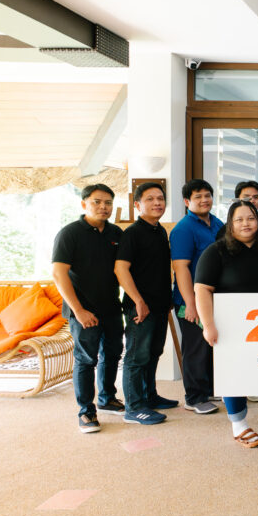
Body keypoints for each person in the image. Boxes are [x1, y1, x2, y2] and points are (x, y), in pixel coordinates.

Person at [194, 200, 258, 448]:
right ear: (230, 223)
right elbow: (202, 289)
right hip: (231, 328)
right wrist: (208, 325)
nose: (245, 224)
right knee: (235, 374)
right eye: (239, 219)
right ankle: (239, 425)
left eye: (250, 218)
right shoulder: (216, 251)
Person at [52, 184, 125, 433]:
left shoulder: (115, 233)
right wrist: (79, 311)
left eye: (108, 203)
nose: (103, 207)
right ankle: (86, 411)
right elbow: (58, 274)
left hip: (112, 307)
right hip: (82, 311)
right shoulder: (69, 233)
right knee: (86, 359)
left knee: (113, 354)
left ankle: (107, 398)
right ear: (84, 204)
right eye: (97, 202)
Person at [114, 182, 176, 426]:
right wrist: (139, 301)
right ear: (137, 204)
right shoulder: (133, 233)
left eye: (160, 198)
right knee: (136, 357)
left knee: (153, 353)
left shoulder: (159, 231)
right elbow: (121, 269)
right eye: (150, 199)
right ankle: (134, 408)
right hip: (139, 307)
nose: (157, 203)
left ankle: (149, 396)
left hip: (159, 305)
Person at [170, 179, 224, 415]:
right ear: (186, 201)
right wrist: (190, 304)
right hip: (190, 301)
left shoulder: (217, 223)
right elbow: (181, 268)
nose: (204, 200)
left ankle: (209, 390)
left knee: (210, 346)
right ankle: (194, 398)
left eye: (207, 195)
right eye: (198, 196)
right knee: (195, 349)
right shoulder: (183, 229)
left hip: (213, 297)